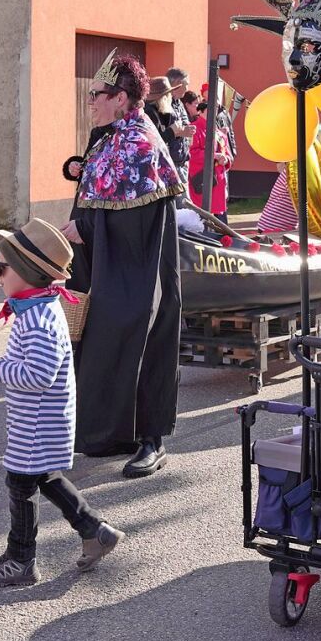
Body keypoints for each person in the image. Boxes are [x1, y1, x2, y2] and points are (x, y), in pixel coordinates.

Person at [0, 219, 124, 587]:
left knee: (21, 482)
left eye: (1, 267)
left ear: (24, 273)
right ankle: (95, 530)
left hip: (38, 421)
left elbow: (39, 374)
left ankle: (21, 559)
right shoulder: (36, 308)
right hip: (40, 418)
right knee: (45, 476)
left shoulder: (38, 318)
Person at [61, 51, 183, 477]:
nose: (90, 101)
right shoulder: (112, 134)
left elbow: (137, 221)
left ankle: (152, 439)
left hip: (138, 269)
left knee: (141, 341)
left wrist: (88, 230)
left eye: (96, 94)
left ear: (122, 97)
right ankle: (114, 433)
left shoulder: (140, 143)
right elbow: (101, 189)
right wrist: (77, 169)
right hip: (109, 267)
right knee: (103, 344)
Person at [186, 96, 232, 221]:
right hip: (203, 179)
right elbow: (191, 153)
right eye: (210, 109)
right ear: (201, 111)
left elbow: (227, 154)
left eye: (216, 109)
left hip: (219, 180)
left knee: (220, 217)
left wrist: (226, 159)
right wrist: (213, 155)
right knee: (203, 216)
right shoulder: (194, 129)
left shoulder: (219, 132)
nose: (214, 112)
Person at [165, 67, 195, 184]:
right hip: (170, 164)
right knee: (182, 202)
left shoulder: (179, 103)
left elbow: (184, 123)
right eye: (186, 84)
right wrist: (181, 132)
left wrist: (188, 130)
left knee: (183, 201)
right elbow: (159, 132)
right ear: (177, 84)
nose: (187, 88)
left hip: (182, 161)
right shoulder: (163, 103)